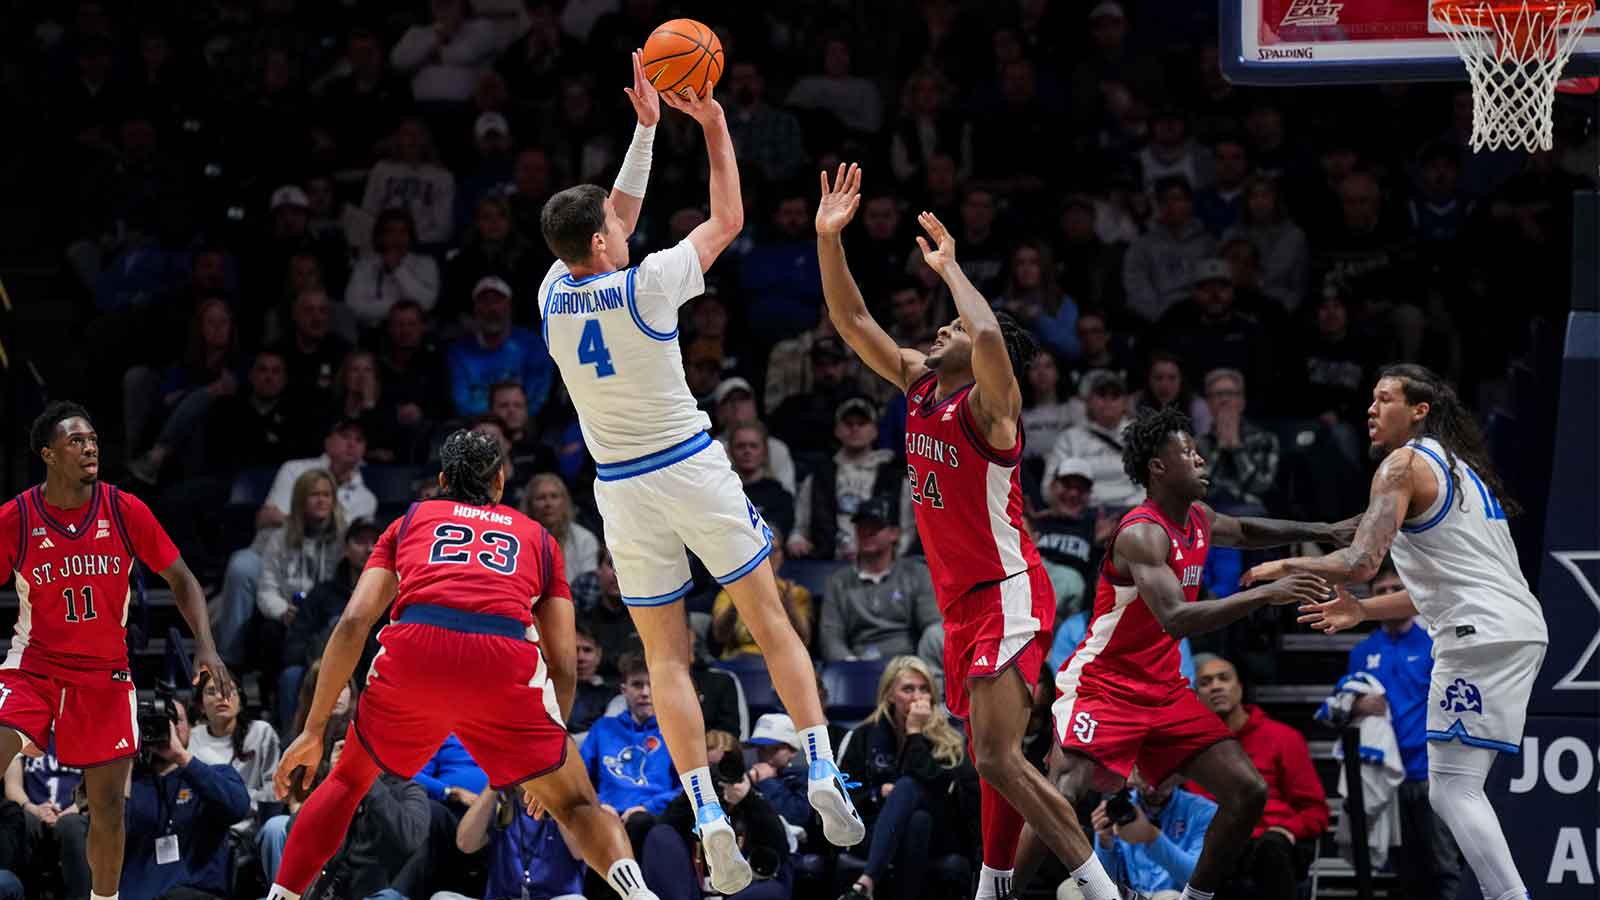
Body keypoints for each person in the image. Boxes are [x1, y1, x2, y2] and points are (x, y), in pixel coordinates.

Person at [535, 55, 863, 895]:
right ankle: (823, 768)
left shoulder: (549, 294)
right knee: (768, 614)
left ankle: (708, 819)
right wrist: (711, 125)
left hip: (619, 489)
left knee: (667, 658)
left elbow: (613, 212)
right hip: (688, 465)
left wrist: (645, 129)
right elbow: (726, 216)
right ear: (605, 243)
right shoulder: (648, 286)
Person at [815, 163, 1113, 900]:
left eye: (951, 329)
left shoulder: (992, 410)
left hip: (1008, 589)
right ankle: (996, 886)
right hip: (961, 604)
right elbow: (852, 322)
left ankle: (1100, 889)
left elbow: (983, 328)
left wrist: (952, 270)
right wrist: (829, 241)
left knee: (999, 758)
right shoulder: (919, 383)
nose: (941, 331)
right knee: (992, 760)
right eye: (942, 326)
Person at [263, 430, 662, 900]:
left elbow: (353, 622)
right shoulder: (537, 537)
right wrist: (548, 750)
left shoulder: (408, 522)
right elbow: (563, 663)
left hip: (417, 655)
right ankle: (637, 894)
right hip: (500, 662)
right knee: (576, 803)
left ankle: (280, 896)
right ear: (500, 480)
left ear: (441, 480)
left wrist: (312, 731)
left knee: (348, 781)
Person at [1010, 405, 1349, 900]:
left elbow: (1249, 531)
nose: (1201, 460)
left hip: (1164, 689)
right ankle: (998, 894)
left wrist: (1324, 530)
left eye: (1197, 450)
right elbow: (1176, 618)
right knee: (1064, 789)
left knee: (1247, 791)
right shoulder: (1140, 533)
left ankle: (1194, 898)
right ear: (1158, 467)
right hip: (1104, 683)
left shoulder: (1198, 518)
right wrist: (1266, 594)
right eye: (1187, 452)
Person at [1265, 364, 1549, 900]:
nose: (1371, 409)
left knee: (1452, 790)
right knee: (1460, 788)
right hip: (1515, 627)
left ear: (1419, 411)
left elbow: (1363, 560)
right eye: (1370, 400)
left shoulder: (1402, 465)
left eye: (1384, 399)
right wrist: (1365, 613)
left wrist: (1287, 567)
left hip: (1478, 634)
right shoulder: (1459, 471)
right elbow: (1442, 587)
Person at [0, 401, 234, 900]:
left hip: (103, 673)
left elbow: (182, 578)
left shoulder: (123, 508)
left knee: (107, 809)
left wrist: (207, 648)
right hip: (34, 666)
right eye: (76, 442)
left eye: (93, 440)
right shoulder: (16, 517)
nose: (89, 448)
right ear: (48, 455)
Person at [1339, 564, 1462, 900]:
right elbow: (1345, 701)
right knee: (1404, 872)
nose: (1389, 596)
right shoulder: (1362, 652)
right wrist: (1356, 706)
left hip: (1431, 773)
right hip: (1387, 776)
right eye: (1381, 591)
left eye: (1396, 589)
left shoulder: (1434, 645)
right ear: (1371, 598)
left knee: (1444, 866)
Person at [836, 656, 974, 900]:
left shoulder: (949, 740)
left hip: (938, 833)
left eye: (924, 689)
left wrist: (915, 733)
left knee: (911, 793)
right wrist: (877, 795)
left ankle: (866, 881)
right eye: (908, 689)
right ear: (890, 694)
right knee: (915, 822)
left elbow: (938, 789)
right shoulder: (862, 736)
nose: (917, 697)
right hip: (875, 828)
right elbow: (844, 795)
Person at [1191, 656, 1328, 898]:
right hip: (1223, 848)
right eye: (1205, 682)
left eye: (1224, 678)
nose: (1215, 686)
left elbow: (1316, 812)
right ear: (1196, 696)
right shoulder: (1193, 749)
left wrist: (1287, 829)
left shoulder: (1283, 738)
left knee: (1270, 846)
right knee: (1214, 849)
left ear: (1240, 688)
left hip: (1275, 844)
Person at [123, 699, 252, 900]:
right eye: (160, 721)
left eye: (176, 720)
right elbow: (108, 833)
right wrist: (126, 759)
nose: (169, 727)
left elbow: (238, 808)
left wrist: (181, 757)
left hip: (196, 893)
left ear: (191, 729)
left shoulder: (213, 775)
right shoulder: (130, 784)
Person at [817, 498, 941, 664]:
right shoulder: (838, 582)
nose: (867, 532)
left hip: (909, 664)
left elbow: (932, 624)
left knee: (937, 634)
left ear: (894, 533)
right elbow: (831, 638)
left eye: (875, 526)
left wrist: (918, 667)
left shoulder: (916, 574)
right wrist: (851, 666)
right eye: (862, 526)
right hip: (857, 667)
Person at [580, 653, 681, 847]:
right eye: (637, 684)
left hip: (655, 819)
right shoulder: (603, 728)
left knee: (639, 823)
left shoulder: (674, 732)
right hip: (607, 817)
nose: (645, 692)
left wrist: (646, 807)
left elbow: (684, 789)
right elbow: (581, 779)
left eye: (652, 685)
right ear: (624, 690)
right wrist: (599, 804)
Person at [1081, 770, 1217, 900]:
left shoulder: (1203, 811)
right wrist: (1104, 844)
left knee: (1168, 897)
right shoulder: (1120, 807)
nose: (1152, 789)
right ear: (1133, 772)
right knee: (1070, 888)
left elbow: (1198, 881)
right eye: (1145, 777)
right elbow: (1105, 883)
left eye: (1162, 779)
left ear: (1178, 773)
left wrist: (1152, 837)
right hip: (1129, 894)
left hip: (1176, 896)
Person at [187, 672, 283, 820]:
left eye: (228, 690)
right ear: (201, 706)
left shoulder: (261, 733)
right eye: (212, 691)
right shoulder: (192, 738)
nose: (221, 697)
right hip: (205, 825)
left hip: (249, 825)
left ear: (240, 703)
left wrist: (237, 800)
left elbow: (274, 789)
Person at [713, 530, 811, 659]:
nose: (769, 557)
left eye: (774, 551)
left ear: (782, 556)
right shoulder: (728, 593)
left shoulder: (796, 593)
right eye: (763, 550)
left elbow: (805, 639)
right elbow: (720, 637)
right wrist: (735, 602)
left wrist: (790, 606)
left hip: (784, 658)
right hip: (740, 660)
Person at [521, 473, 600, 583]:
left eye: (554, 496)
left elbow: (587, 588)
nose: (548, 504)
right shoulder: (520, 541)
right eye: (540, 498)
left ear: (564, 502)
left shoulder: (585, 539)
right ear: (529, 505)